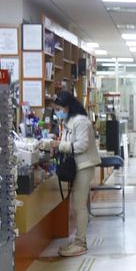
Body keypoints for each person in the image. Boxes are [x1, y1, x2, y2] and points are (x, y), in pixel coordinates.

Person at [51, 89, 99, 258]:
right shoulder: (69, 122)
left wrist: (60, 146)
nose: (57, 113)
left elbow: (81, 145)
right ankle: (78, 240)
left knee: (79, 205)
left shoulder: (81, 121)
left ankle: (80, 243)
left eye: (59, 109)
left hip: (84, 165)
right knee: (77, 204)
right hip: (77, 165)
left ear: (67, 107)